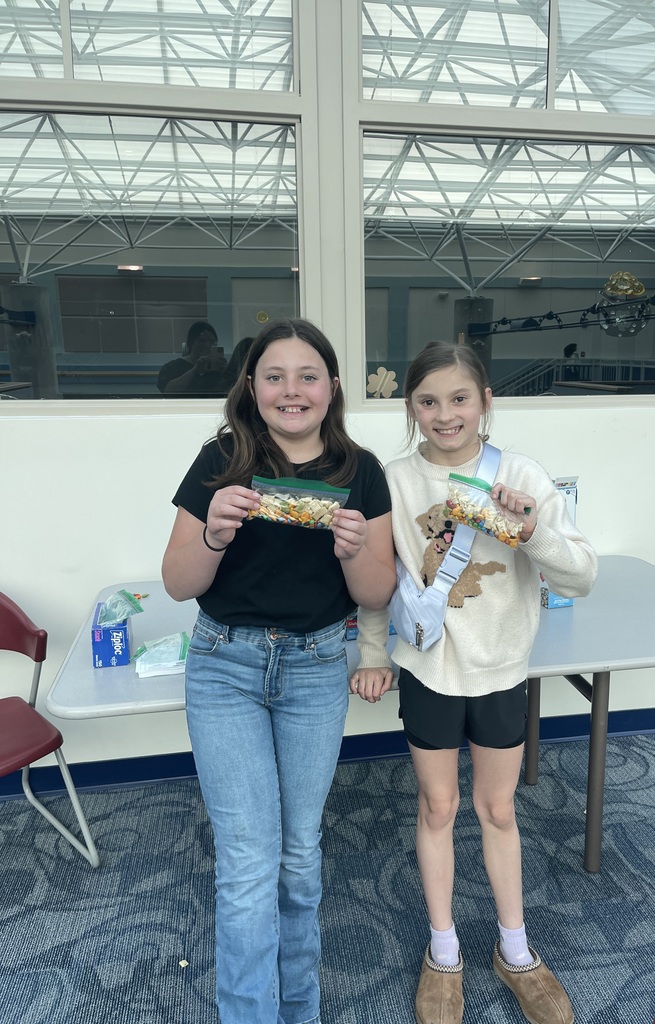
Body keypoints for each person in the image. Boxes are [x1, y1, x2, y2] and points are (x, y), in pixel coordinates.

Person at [350, 341, 598, 1024]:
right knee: (436, 809)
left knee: (497, 811)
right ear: (411, 408)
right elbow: (378, 581)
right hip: (429, 669)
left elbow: (581, 575)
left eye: (460, 398)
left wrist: (530, 531)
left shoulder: (519, 473)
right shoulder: (393, 480)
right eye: (428, 401)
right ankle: (443, 949)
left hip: (500, 672)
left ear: (485, 401)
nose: (445, 413)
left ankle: (514, 951)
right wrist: (373, 654)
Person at [161, 318, 396, 1024]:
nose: (291, 390)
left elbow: (377, 594)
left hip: (317, 666)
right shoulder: (220, 459)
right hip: (223, 666)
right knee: (246, 866)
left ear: (332, 389)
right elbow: (177, 582)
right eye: (274, 376)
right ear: (252, 386)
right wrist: (212, 531)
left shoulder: (362, 471)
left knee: (298, 857)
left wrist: (355, 550)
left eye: (307, 376)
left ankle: (301, 1010)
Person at [158, 320, 233, 394]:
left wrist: (228, 373)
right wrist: (195, 370)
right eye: (201, 341)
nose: (207, 345)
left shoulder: (219, 367)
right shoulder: (173, 367)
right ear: (191, 343)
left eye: (212, 341)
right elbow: (167, 392)